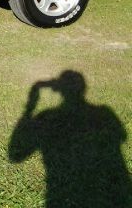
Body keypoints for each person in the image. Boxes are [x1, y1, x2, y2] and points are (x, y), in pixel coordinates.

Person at [8, 71, 132, 207]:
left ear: (60, 90)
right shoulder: (104, 113)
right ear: (83, 89)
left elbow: (16, 155)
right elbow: (122, 137)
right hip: (111, 192)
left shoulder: (47, 118)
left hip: (62, 196)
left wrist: (29, 108)